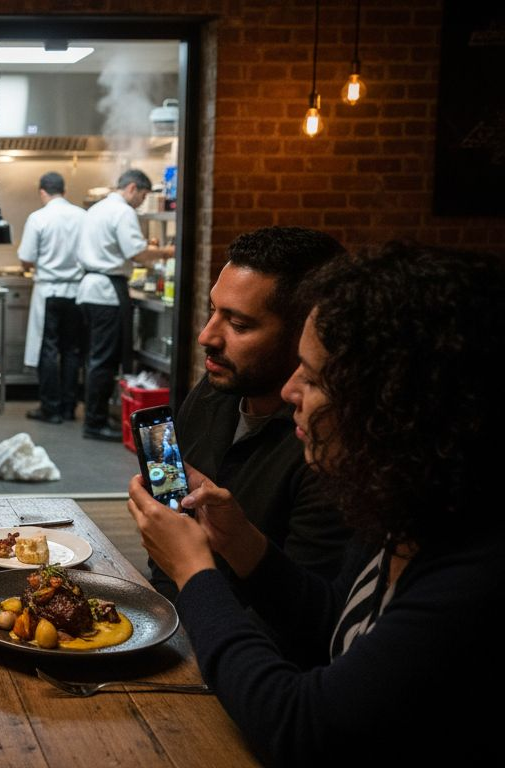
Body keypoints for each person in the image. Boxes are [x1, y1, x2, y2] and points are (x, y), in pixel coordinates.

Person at [128, 242, 504, 763]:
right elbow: (334, 621)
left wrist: (196, 572)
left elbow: (300, 725)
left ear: (395, 406)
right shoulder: (402, 518)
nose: (290, 392)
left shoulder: (472, 576)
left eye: (313, 375)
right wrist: (244, 545)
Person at [149, 227, 349, 603]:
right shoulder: (216, 389)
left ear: (307, 331)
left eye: (239, 324)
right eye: (213, 311)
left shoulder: (325, 445)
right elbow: (168, 544)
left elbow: (306, 623)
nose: (207, 336)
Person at [75, 168, 174, 441]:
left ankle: (96, 417)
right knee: (104, 359)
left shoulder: (97, 209)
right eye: (142, 196)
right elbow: (137, 253)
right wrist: (168, 251)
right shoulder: (122, 212)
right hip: (106, 291)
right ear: (132, 188)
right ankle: (95, 423)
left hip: (89, 289)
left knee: (96, 357)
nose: (141, 202)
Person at [17, 171, 85, 424]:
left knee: (48, 350)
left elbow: (27, 258)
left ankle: (50, 408)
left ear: (42, 192)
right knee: (72, 350)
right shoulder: (82, 216)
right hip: (77, 291)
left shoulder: (38, 218)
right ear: (64, 191)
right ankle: (69, 407)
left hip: (49, 291)